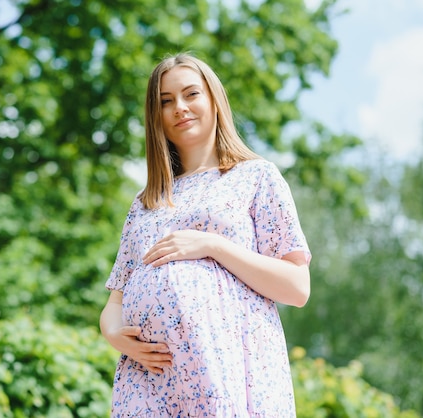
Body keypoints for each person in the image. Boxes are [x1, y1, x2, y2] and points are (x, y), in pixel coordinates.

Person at [99, 52, 311, 417]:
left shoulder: (256, 177)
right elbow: (116, 299)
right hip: (151, 381)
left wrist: (213, 246)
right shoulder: (146, 201)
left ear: (214, 100)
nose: (179, 107)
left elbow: (297, 287)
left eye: (191, 94)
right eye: (166, 101)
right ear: (156, 118)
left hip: (228, 372)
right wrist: (115, 335)